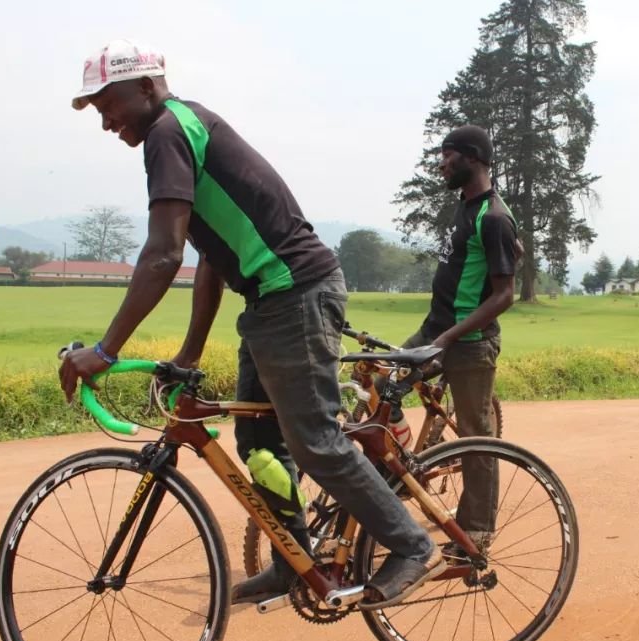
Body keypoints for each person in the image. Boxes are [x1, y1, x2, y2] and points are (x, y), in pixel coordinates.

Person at [58, 39, 443, 610]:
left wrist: (107, 350)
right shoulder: (183, 130)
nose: (105, 120)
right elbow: (209, 255)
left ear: (146, 87)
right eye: (95, 110)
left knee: (314, 441)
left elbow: (162, 254)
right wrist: (189, 353)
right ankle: (295, 561)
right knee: (260, 440)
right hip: (269, 303)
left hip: (297, 295)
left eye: (107, 103)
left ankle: (411, 546)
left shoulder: (168, 131)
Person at [396, 125, 522, 558]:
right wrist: (437, 334)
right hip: (435, 331)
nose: (441, 163)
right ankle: (400, 480)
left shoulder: (495, 217)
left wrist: (448, 337)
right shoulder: (464, 208)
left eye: (448, 155)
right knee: (383, 385)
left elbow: (504, 294)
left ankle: (478, 531)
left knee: (476, 435)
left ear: (473, 157)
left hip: (468, 343)